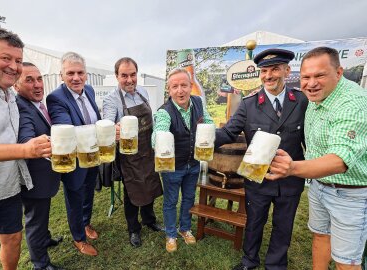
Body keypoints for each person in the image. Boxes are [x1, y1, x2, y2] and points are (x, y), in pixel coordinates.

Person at [267, 47, 367, 270]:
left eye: (319, 75)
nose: (311, 83)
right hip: (319, 186)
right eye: (306, 77)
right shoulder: (314, 98)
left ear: (339, 73)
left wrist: (292, 167)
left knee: (346, 261)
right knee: (320, 236)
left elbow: (339, 160)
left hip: (350, 194)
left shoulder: (352, 103)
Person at [215, 48, 308, 270]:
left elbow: (309, 139)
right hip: (258, 177)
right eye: (264, 71)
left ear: (287, 71)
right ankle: (249, 261)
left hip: (290, 178)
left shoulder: (302, 101)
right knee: (255, 222)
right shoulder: (248, 104)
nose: (268, 75)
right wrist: (201, 139)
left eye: (275, 69)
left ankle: (275, 264)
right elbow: (228, 133)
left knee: (283, 225)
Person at [0, 27, 51, 270]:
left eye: (18, 60)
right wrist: (27, 150)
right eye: (6, 58)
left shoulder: (9, 93)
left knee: (13, 240)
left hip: (8, 187)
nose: (14, 66)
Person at [102, 57, 163, 248]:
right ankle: (133, 229)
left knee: (150, 185)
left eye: (133, 75)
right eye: (124, 76)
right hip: (129, 155)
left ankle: (149, 219)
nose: (129, 80)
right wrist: (114, 129)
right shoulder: (111, 99)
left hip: (147, 149)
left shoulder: (143, 92)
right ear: (116, 76)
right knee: (133, 190)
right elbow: (107, 125)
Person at [152, 68, 214, 252]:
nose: (180, 91)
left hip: (193, 163)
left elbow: (209, 122)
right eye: (175, 86)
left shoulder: (199, 102)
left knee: (188, 198)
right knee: (171, 201)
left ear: (190, 86)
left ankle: (185, 229)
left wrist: (208, 133)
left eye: (184, 85)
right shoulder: (164, 111)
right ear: (169, 90)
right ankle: (171, 233)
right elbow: (159, 132)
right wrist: (159, 138)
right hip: (173, 167)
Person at [46, 52, 101, 257]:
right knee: (75, 197)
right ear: (61, 75)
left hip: (92, 155)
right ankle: (78, 238)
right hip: (74, 159)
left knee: (88, 193)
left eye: (80, 72)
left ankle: (85, 223)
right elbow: (66, 130)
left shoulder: (90, 90)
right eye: (70, 73)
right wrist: (104, 131)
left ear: (86, 74)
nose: (76, 77)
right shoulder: (56, 98)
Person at [15, 62, 63, 270]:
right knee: (35, 221)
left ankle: (45, 239)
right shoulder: (21, 107)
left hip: (45, 175)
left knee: (42, 215)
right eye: (29, 80)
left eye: (39, 78)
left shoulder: (36, 104)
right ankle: (41, 265)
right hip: (34, 178)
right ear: (16, 85)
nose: (37, 85)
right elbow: (26, 138)